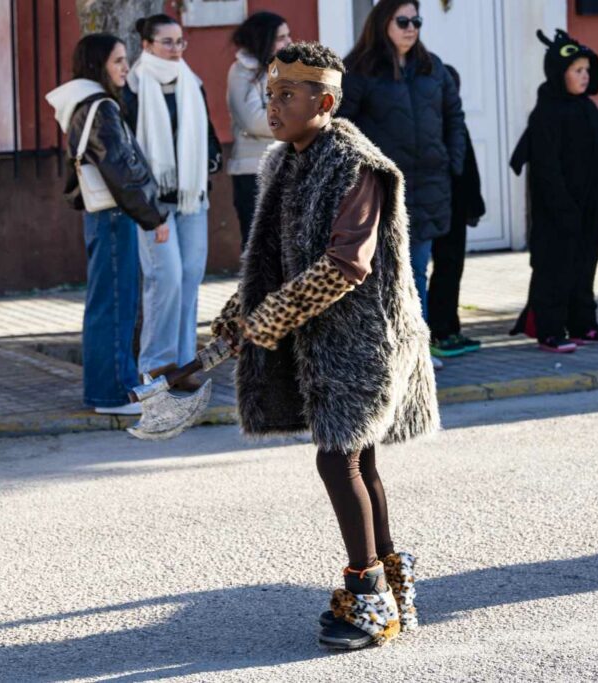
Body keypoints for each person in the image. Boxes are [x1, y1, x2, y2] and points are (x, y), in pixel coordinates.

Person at [211, 42, 438, 650]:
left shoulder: (356, 165)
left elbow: (345, 266)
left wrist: (274, 317)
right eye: (271, 94)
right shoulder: (285, 161)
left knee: (338, 457)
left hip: (365, 339)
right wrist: (240, 314)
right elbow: (270, 258)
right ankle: (391, 582)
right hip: (321, 339)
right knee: (357, 457)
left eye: (289, 95)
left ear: (326, 101)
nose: (274, 106)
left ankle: (367, 598)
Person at [337, 0, 466, 365]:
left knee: (416, 271)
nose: (411, 28)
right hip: (381, 189)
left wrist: (450, 161)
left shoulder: (432, 67)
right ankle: (375, 352)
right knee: (377, 276)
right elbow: (341, 126)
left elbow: (454, 117)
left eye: (417, 21)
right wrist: (361, 174)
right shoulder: (360, 69)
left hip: (428, 186)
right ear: (383, 23)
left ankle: (415, 352)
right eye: (403, 21)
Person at [46, 34, 168, 416]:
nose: (124, 67)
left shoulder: (88, 104)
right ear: (98, 64)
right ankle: (113, 393)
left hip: (104, 215)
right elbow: (119, 167)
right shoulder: (99, 107)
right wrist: (153, 217)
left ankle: (118, 384)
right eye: (117, 60)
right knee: (115, 304)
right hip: (114, 214)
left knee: (109, 302)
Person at [125, 14, 223, 388]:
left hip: (191, 195)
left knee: (190, 275)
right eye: (167, 42)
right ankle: (155, 364)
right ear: (147, 45)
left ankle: (183, 366)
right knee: (165, 277)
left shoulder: (190, 81)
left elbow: (208, 133)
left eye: (180, 41)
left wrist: (210, 159)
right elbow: (128, 147)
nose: (176, 49)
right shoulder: (133, 86)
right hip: (154, 203)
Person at [509, 29, 598, 353]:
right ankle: (550, 329)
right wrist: (562, 207)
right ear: (559, 73)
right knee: (553, 270)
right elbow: (546, 169)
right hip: (556, 213)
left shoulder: (588, 109)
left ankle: (584, 323)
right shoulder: (546, 112)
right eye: (577, 71)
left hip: (588, 209)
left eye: (587, 71)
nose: (584, 77)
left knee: (584, 268)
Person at [427, 64, 487, 358]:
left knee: (451, 269)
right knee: (437, 269)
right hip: (434, 207)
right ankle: (438, 331)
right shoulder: (429, 124)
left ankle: (450, 327)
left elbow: (469, 170)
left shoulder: (455, 124)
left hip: (456, 208)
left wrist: (474, 206)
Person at [227, 11, 292, 251]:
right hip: (253, 170)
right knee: (260, 251)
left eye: (289, 35)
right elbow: (253, 120)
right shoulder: (241, 71)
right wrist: (296, 122)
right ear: (263, 40)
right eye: (281, 37)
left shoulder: (288, 70)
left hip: (289, 166)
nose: (288, 42)